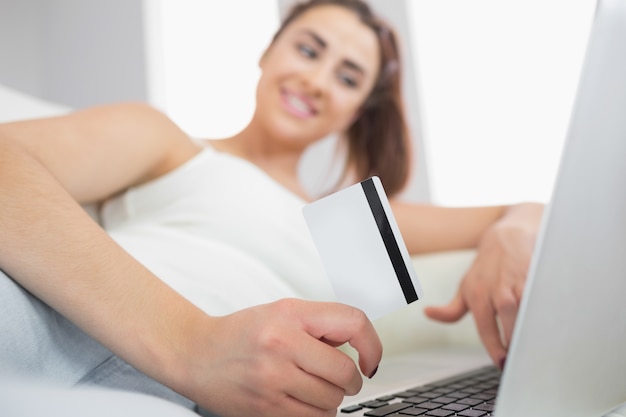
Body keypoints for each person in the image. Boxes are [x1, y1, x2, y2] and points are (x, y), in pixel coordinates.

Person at [0, 0, 543, 415]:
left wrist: (511, 236)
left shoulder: (351, 221)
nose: (316, 80)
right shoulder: (171, 145)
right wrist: (191, 344)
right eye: (309, 49)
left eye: (348, 76)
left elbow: (525, 210)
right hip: (38, 326)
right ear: (269, 51)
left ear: (357, 111)